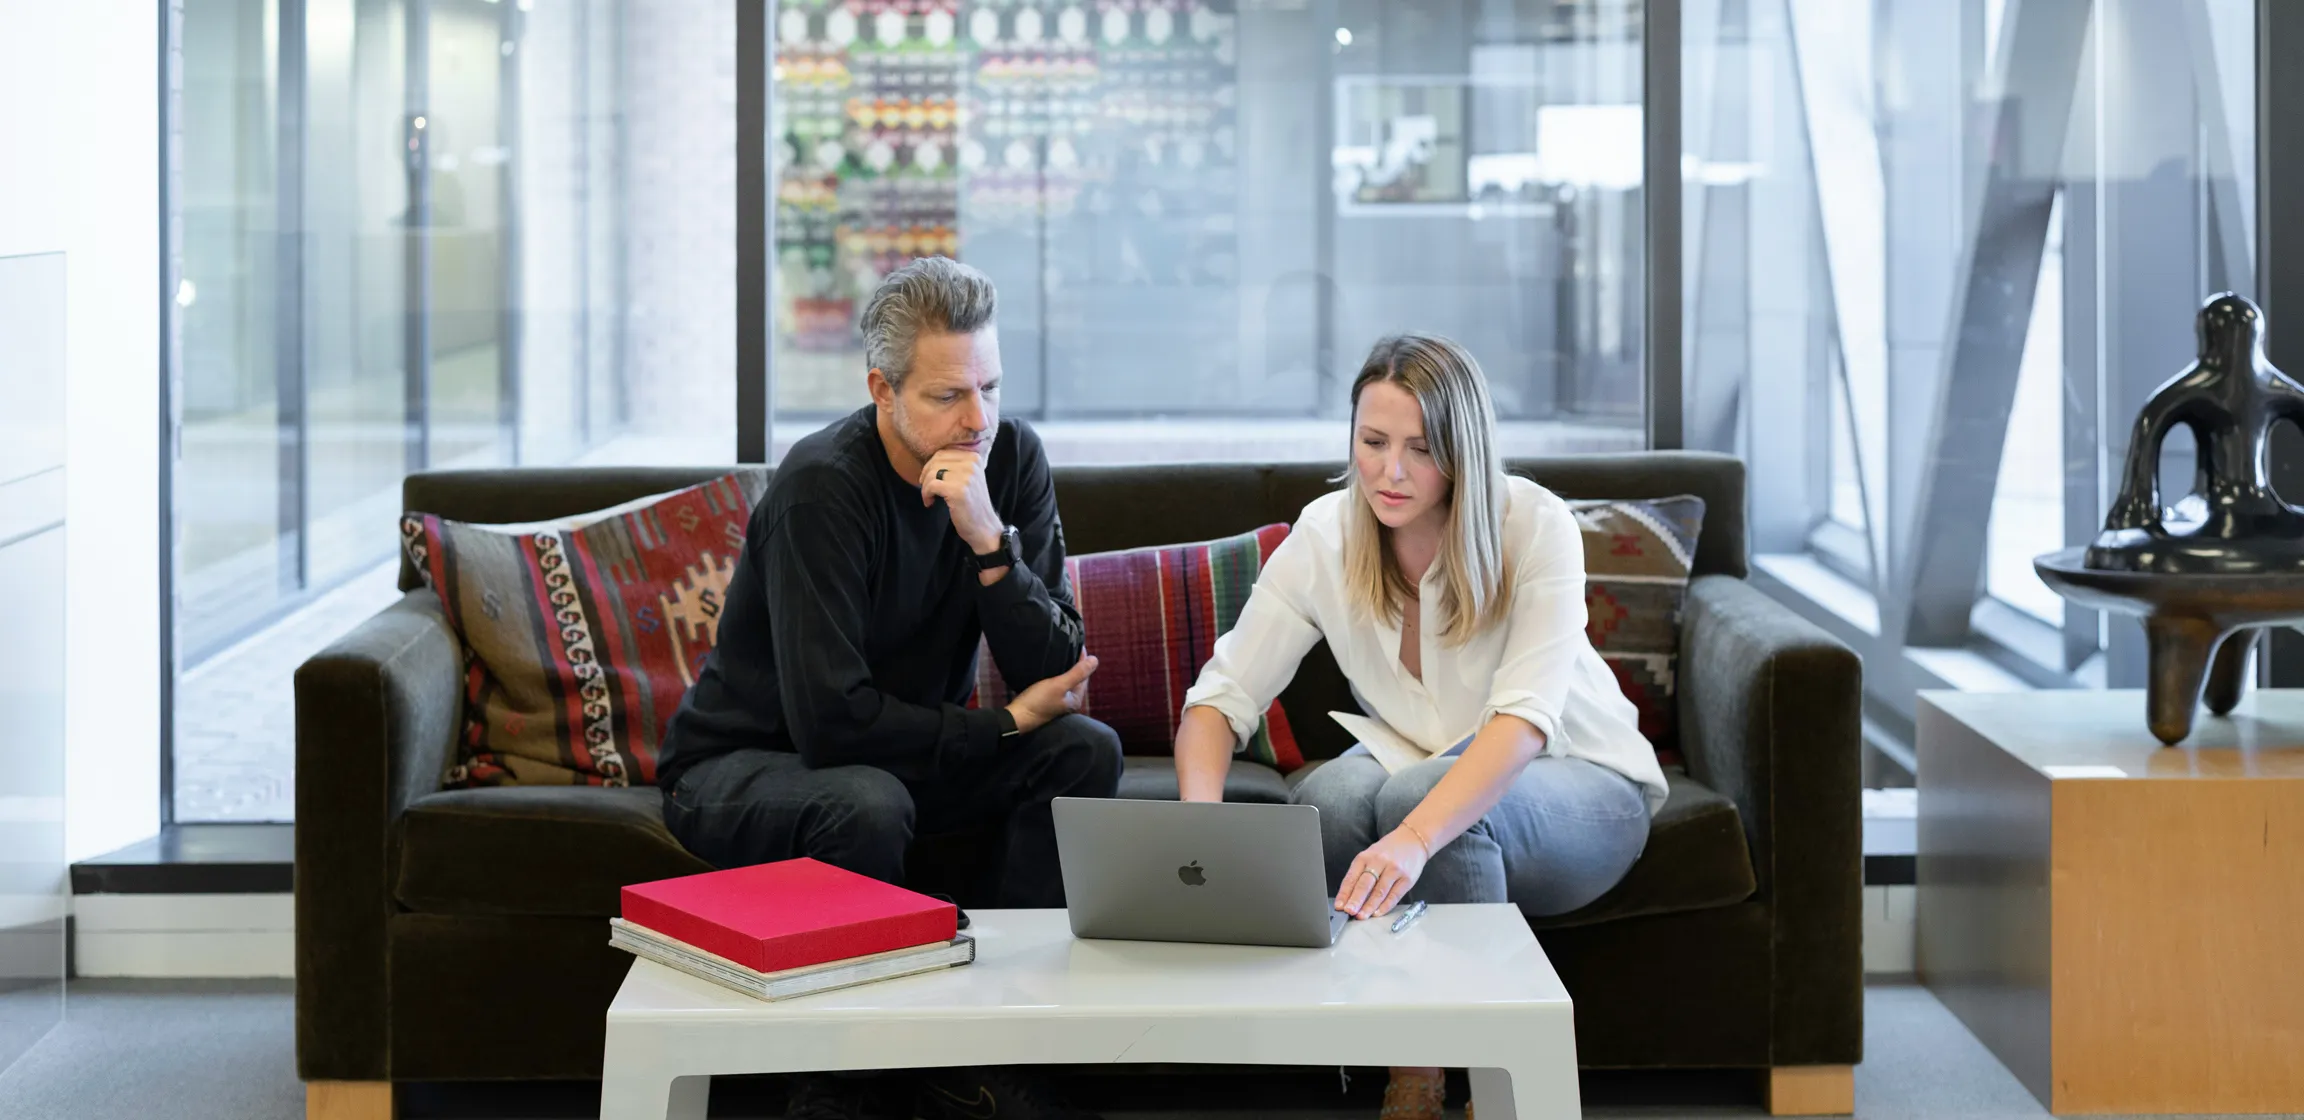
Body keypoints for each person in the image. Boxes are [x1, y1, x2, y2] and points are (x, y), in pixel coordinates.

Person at [656, 256, 1121, 1120]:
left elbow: (1053, 670)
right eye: (948, 396)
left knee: (1083, 753)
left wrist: (989, 541)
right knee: (865, 806)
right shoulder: (822, 489)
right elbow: (831, 726)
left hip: (899, 757)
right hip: (743, 764)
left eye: (990, 386)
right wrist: (1002, 728)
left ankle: (1001, 1046)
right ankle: (840, 1086)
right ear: (882, 388)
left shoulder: (1008, 458)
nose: (977, 417)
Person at [1171, 332, 1667, 1120]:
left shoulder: (1534, 525)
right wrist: (1202, 836)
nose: (1389, 472)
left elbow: (1525, 722)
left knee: (1420, 800)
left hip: (1590, 782)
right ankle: (1415, 1078)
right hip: (1421, 762)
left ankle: (1502, 1092)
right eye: (1372, 443)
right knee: (1327, 800)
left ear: (1463, 452)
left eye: (1419, 449)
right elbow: (1218, 701)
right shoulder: (1327, 534)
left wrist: (1415, 837)